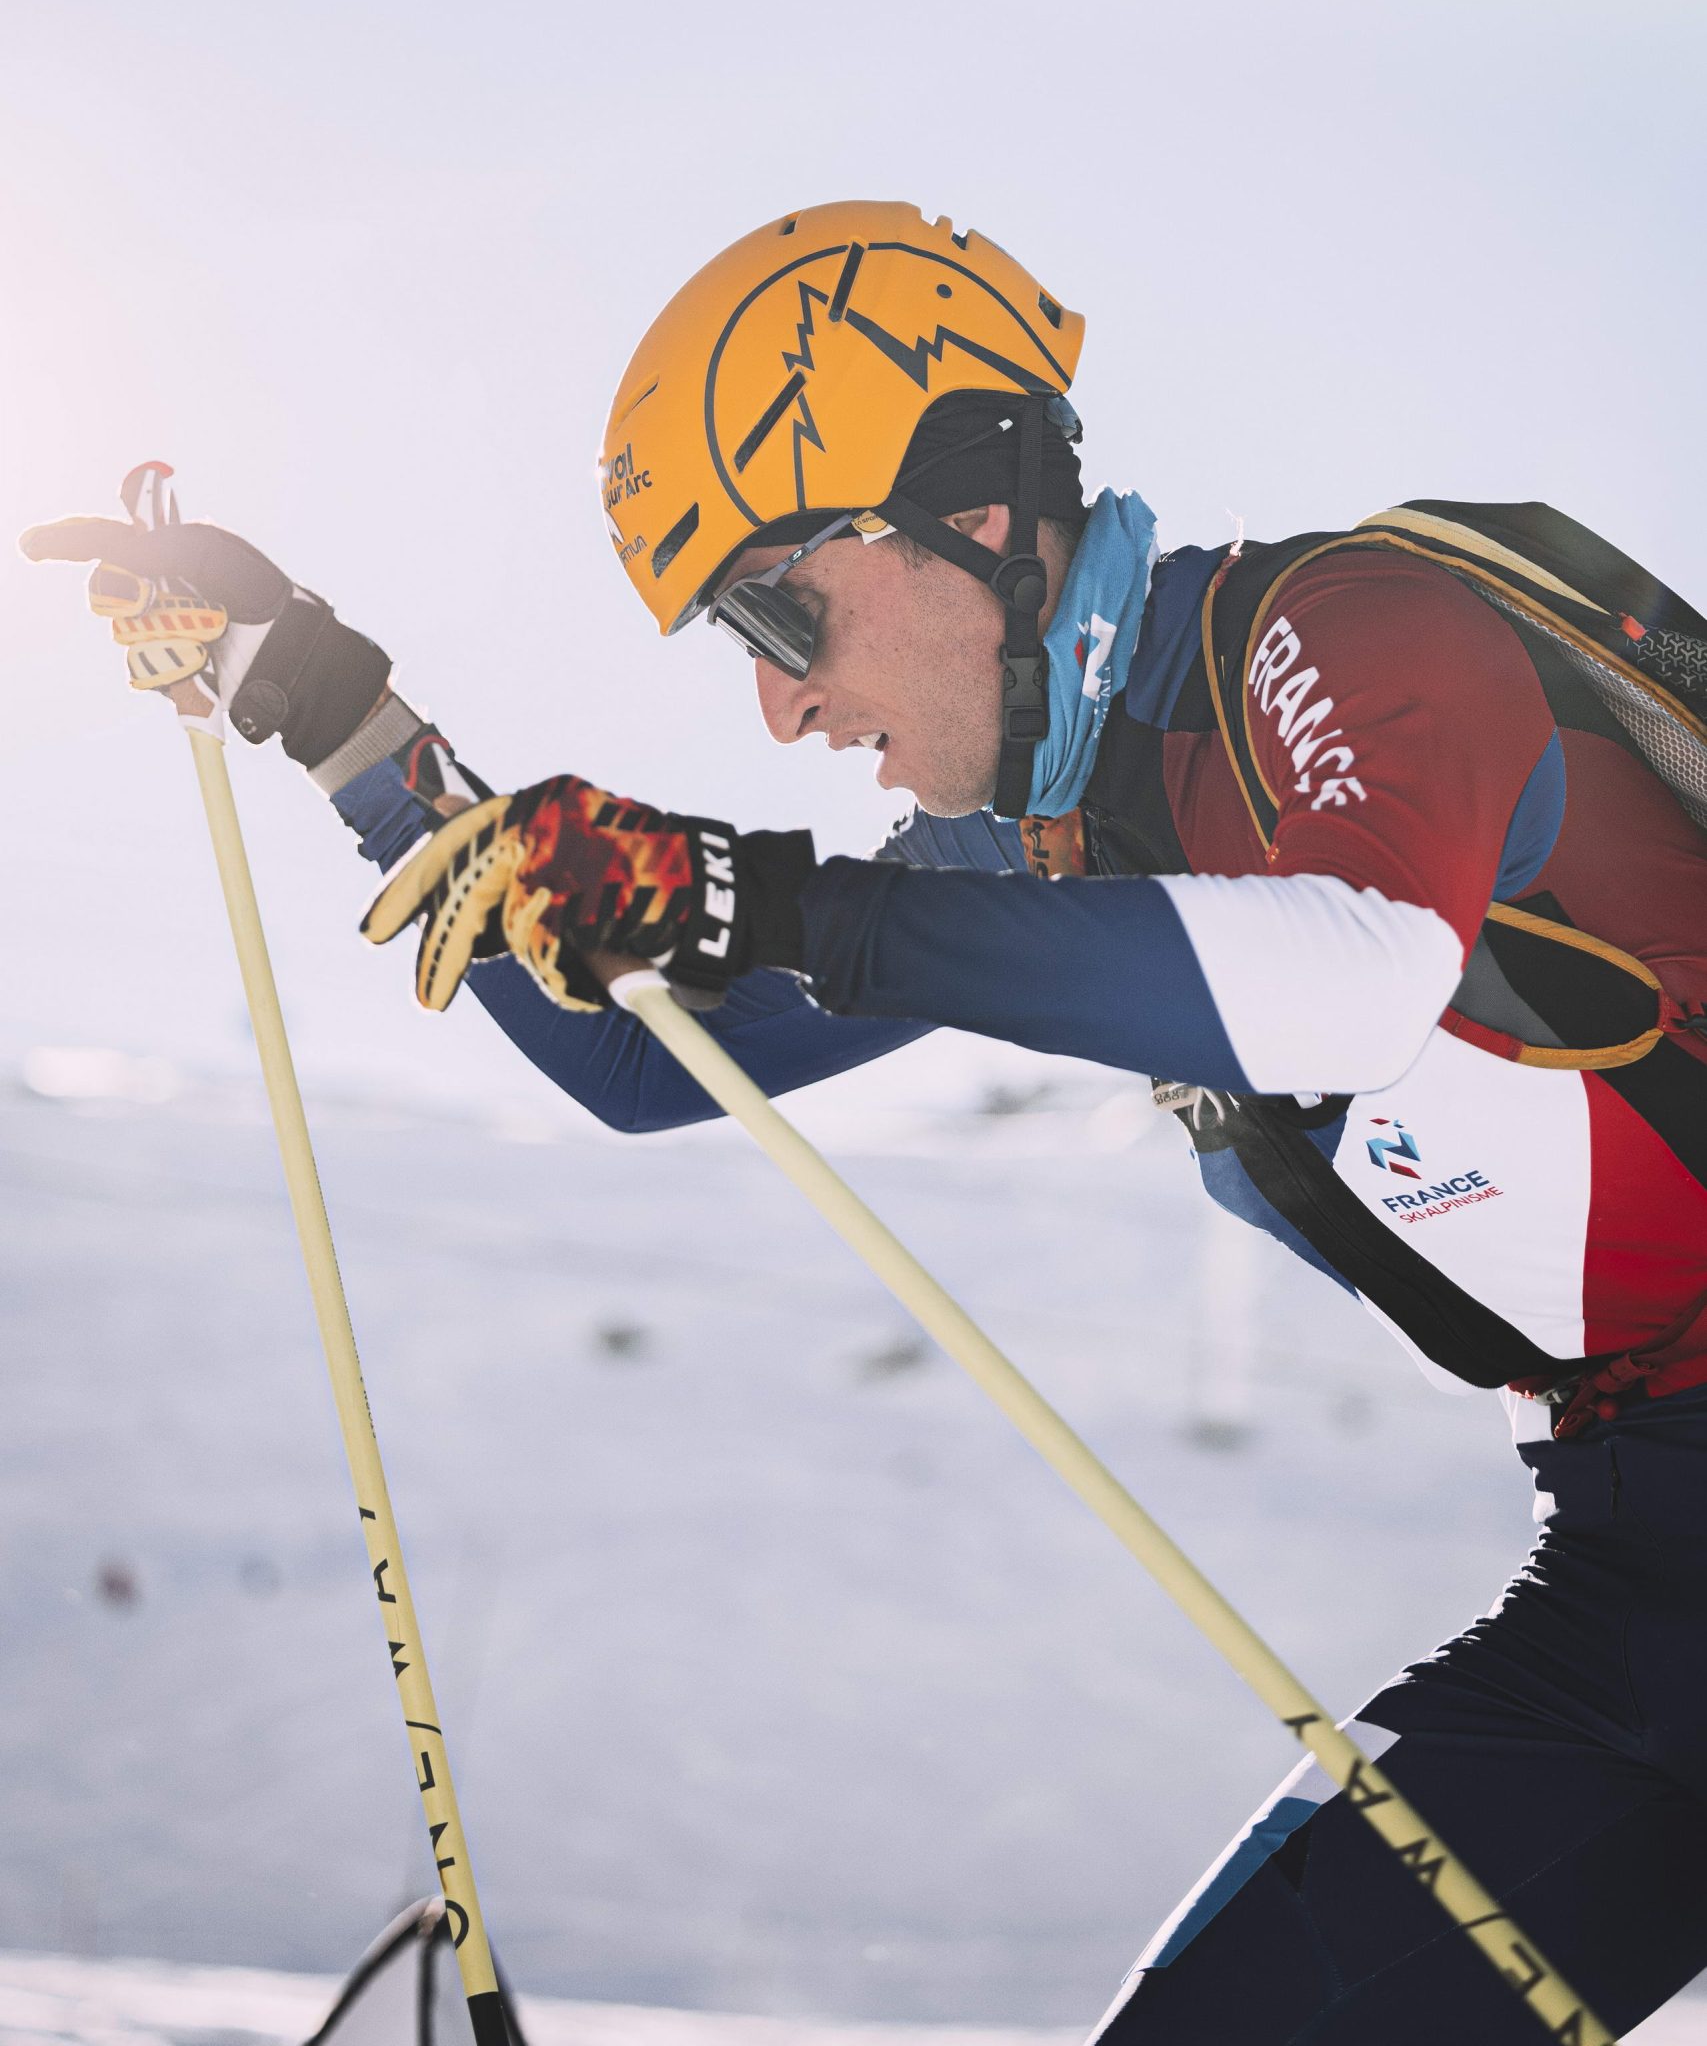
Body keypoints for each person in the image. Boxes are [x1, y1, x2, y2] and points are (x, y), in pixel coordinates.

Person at [25, 199, 1707, 2041]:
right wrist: (342, 721)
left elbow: (1361, 969)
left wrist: (775, 902)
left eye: (775, 603)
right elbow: (655, 1062)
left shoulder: (1347, 628)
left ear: (972, 513)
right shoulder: (1041, 833)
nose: (780, 700)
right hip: (1633, 1591)